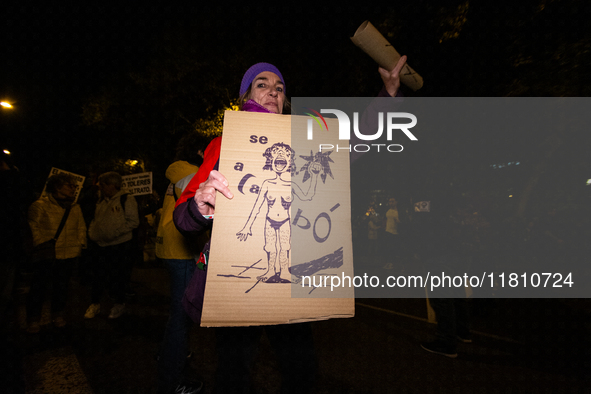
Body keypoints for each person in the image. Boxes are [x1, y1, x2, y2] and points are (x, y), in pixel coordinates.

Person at [173, 59, 407, 393]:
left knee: (301, 371)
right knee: (234, 371)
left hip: (295, 279)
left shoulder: (306, 139)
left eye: (279, 87)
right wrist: (199, 207)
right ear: (246, 95)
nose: (273, 92)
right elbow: (183, 216)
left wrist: (389, 94)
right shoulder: (225, 142)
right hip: (238, 285)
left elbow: (355, 143)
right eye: (262, 84)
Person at [156, 132, 209, 394]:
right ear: (200, 151)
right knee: (182, 316)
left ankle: (169, 357)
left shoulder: (183, 170)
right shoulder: (184, 170)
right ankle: (172, 378)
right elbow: (199, 188)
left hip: (176, 250)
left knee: (178, 316)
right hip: (180, 251)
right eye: (208, 150)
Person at [26, 173, 87, 333]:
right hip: (47, 254)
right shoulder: (40, 205)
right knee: (39, 288)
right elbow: (33, 228)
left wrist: (80, 245)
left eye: (74, 186)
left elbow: (81, 227)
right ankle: (33, 319)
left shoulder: (75, 207)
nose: (74, 189)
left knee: (61, 287)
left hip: (69, 254)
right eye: (70, 186)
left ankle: (58, 315)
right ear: (56, 187)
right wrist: (42, 244)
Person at [85, 171, 139, 319]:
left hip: (119, 245)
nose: (100, 188)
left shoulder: (126, 199)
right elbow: (96, 220)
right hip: (100, 244)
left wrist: (113, 233)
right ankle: (95, 304)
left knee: (118, 276)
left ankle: (118, 304)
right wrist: (93, 232)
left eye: (102, 185)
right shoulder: (101, 200)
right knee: (98, 276)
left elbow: (133, 222)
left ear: (112, 185)